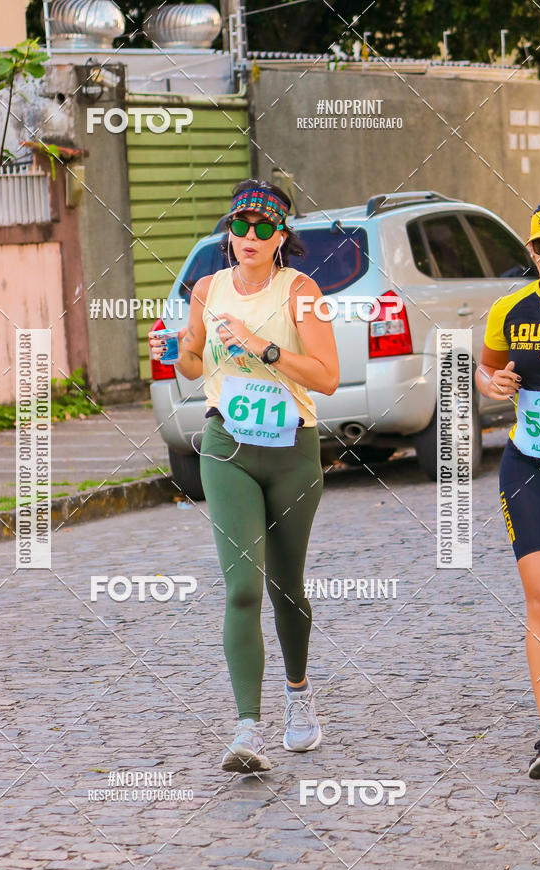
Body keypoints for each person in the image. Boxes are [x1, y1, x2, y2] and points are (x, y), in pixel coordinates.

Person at [150, 178, 339, 773]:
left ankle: (299, 694)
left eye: (263, 227)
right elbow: (192, 363)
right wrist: (178, 347)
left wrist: (266, 349)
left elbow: (327, 376)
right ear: (228, 232)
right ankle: (247, 730)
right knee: (242, 588)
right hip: (227, 443)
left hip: (292, 449)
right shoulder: (206, 287)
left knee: (287, 587)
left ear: (282, 235)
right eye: (240, 225)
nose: (250, 236)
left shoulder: (300, 291)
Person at [476, 201, 540, 779]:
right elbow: (486, 370)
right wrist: (494, 381)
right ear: (532, 253)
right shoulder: (510, 309)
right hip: (528, 462)